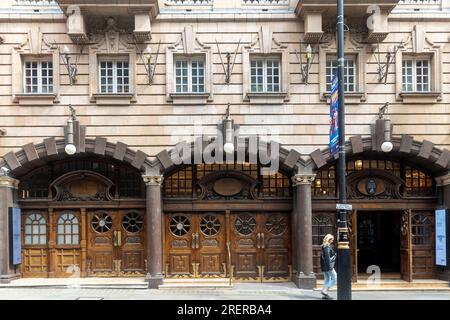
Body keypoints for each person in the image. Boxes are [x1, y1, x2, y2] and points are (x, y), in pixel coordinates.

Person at [320, 234, 337, 299]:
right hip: (328, 266)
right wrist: (329, 267)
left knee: (327, 279)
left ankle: (325, 294)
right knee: (335, 277)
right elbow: (327, 258)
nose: (332, 241)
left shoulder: (323, 246)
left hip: (324, 266)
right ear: (329, 240)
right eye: (332, 240)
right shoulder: (327, 247)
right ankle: (324, 290)